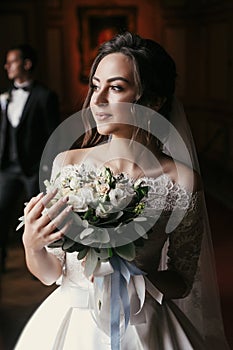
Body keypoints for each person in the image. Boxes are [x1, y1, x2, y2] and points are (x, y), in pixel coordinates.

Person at [14, 33, 229, 349]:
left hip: (143, 326)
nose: (97, 100)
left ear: (153, 101)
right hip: (73, 323)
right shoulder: (67, 164)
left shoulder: (181, 181)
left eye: (115, 88)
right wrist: (32, 246)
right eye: (95, 85)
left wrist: (134, 281)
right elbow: (51, 272)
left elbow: (182, 280)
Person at [0, 44, 60, 272]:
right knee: (1, 213)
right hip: (7, 168)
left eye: (12, 61)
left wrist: (44, 168)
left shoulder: (45, 96)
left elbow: (53, 134)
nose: (7, 66)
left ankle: (44, 266)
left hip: (33, 168)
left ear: (26, 64)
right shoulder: (5, 96)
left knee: (41, 217)